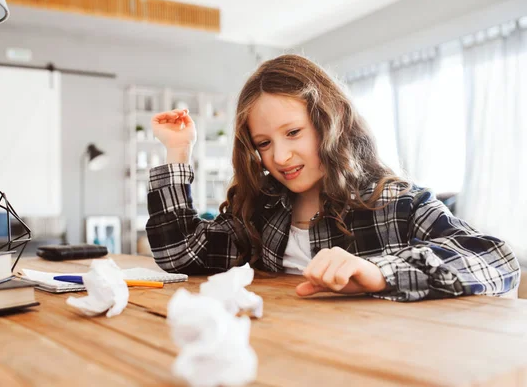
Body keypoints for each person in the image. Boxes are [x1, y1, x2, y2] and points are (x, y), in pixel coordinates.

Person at [146, 54, 519, 302]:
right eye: (264, 142)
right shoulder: (261, 211)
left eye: (293, 133)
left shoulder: (395, 204)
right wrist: (178, 152)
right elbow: (181, 252)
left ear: (332, 123)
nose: (279, 156)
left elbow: (496, 260)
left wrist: (379, 274)